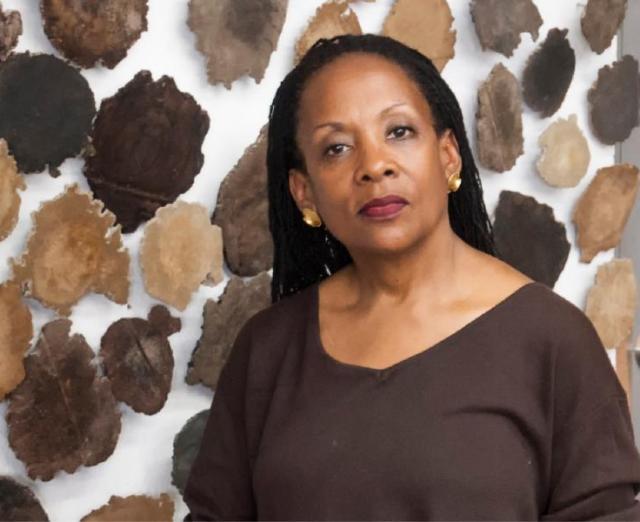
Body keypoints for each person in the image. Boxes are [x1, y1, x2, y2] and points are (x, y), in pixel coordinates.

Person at [183, 33, 640, 520]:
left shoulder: (553, 342)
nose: (374, 165)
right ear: (304, 194)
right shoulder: (268, 349)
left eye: (398, 131)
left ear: (448, 156)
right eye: (336, 148)